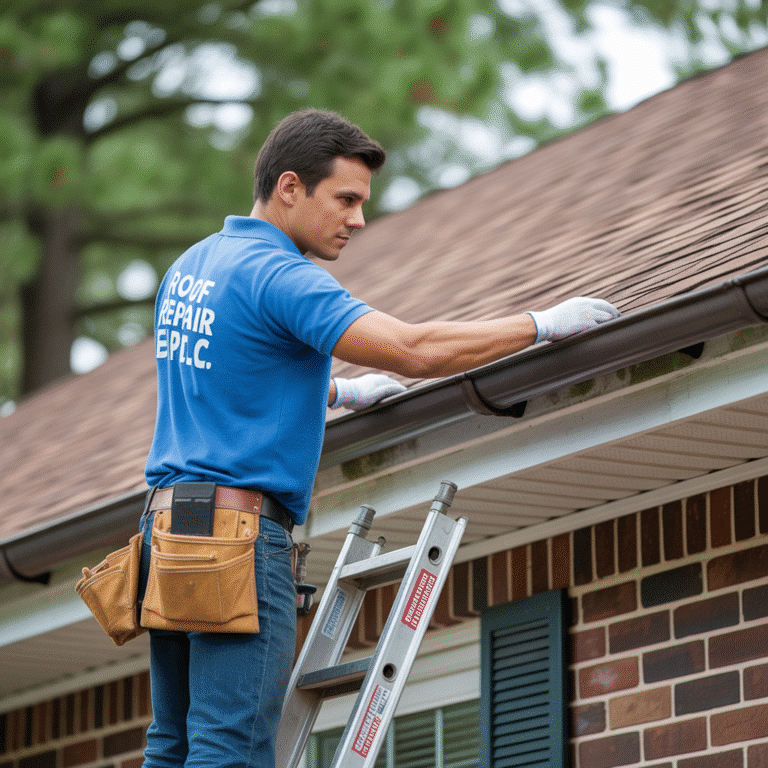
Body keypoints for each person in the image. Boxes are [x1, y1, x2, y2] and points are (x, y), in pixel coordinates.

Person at [137, 108, 619, 768]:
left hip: (167, 535)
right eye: (346, 199)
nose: (359, 219)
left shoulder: (192, 268)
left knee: (171, 744)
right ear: (289, 188)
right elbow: (413, 349)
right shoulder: (281, 275)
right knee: (231, 747)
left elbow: (233, 372)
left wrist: (339, 392)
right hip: (236, 543)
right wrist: (541, 324)